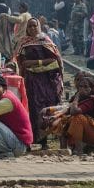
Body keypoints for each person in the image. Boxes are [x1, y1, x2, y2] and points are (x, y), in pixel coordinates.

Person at [15, 18, 63, 148]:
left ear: (39, 26)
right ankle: (37, 139)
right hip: (31, 80)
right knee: (33, 107)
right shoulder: (23, 42)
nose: (32, 29)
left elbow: (55, 59)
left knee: (48, 106)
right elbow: (21, 61)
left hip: (47, 80)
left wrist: (36, 63)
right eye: (29, 26)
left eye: (34, 26)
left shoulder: (45, 40)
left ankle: (50, 138)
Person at [47, 72, 94, 154]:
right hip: (90, 132)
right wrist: (56, 116)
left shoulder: (92, 100)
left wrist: (78, 96)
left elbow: (74, 111)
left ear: (91, 88)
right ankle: (64, 148)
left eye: (85, 87)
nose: (82, 88)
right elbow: (68, 110)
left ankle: (79, 149)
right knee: (64, 119)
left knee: (78, 118)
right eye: (80, 86)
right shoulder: (80, 98)